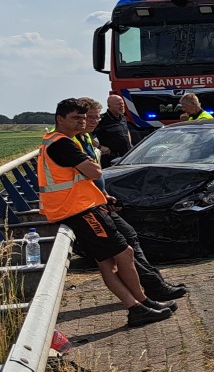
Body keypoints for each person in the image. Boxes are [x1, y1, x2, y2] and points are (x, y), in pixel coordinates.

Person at [37, 98, 174, 328]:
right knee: (125, 253)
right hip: (78, 210)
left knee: (108, 262)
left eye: (83, 118)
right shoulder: (63, 144)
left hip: (79, 207)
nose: (81, 123)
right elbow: (93, 171)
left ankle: (140, 304)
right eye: (75, 118)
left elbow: (81, 177)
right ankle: (138, 304)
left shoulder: (58, 141)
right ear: (60, 119)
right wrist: (92, 165)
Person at [77, 98, 187, 301]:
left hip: (97, 201)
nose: (91, 121)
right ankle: (144, 296)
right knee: (121, 252)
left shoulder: (85, 139)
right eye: (86, 117)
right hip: (84, 207)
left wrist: (104, 195)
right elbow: (90, 172)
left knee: (129, 241)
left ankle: (152, 288)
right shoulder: (72, 141)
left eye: (94, 117)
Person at [93, 93, 133, 165]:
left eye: (122, 104)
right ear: (109, 106)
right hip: (111, 159)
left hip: (126, 156)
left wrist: (129, 143)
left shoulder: (122, 117)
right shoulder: (101, 120)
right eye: (118, 104)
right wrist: (100, 147)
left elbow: (126, 131)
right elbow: (87, 134)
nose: (121, 106)